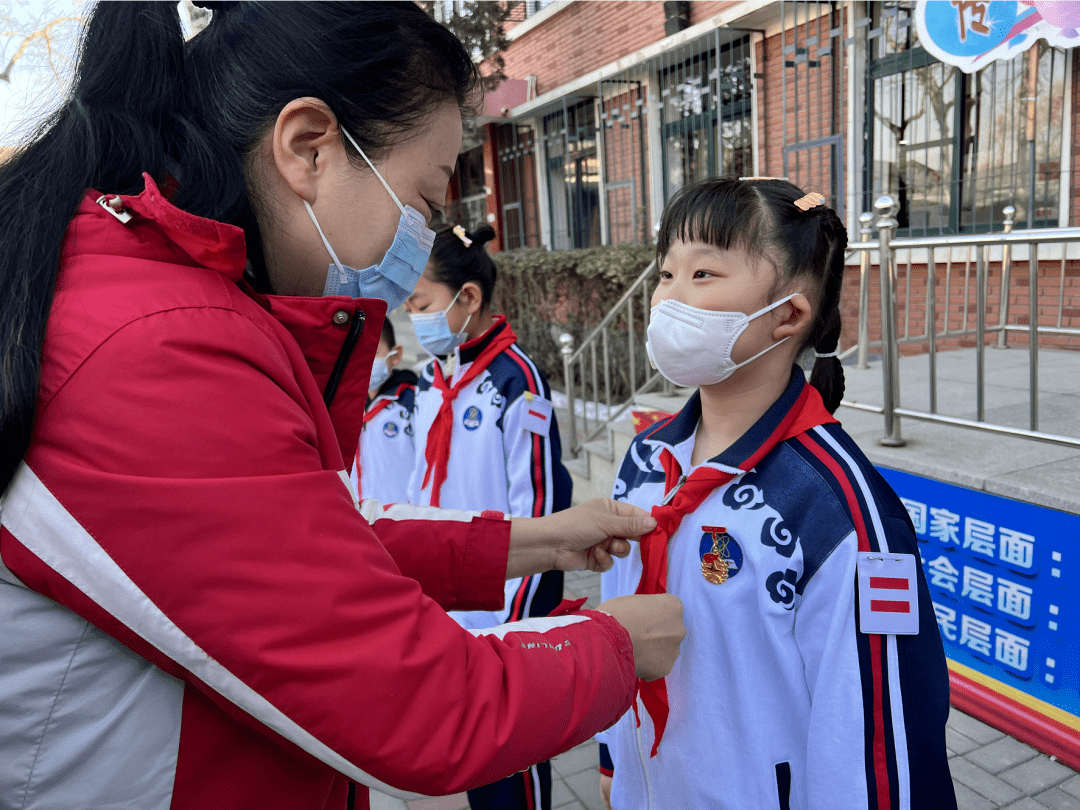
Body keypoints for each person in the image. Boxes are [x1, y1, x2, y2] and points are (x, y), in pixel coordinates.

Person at [0, 4, 687, 809]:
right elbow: (427, 709)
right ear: (309, 149)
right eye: (424, 202)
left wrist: (533, 543)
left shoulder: (137, 299)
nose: (419, 236)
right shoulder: (157, 346)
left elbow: (294, 560)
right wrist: (615, 645)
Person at [597, 178, 956, 810]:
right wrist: (611, 758)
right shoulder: (648, 460)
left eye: (703, 273)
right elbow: (616, 612)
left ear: (787, 315)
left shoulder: (841, 510)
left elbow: (883, 738)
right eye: (666, 274)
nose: (669, 299)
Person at [404, 222, 571, 810]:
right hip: (449, 602)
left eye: (421, 302)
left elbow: (542, 507)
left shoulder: (516, 382)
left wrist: (517, 626)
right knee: (473, 755)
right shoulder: (431, 380)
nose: (412, 316)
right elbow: (418, 487)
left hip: (503, 611)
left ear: (466, 298)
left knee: (513, 763)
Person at [350, 317, 419, 504]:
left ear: (395, 355)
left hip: (403, 518)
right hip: (358, 518)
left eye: (373, 352)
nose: (364, 361)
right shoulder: (345, 405)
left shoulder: (414, 402)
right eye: (356, 354)